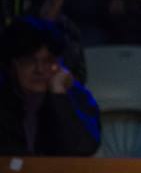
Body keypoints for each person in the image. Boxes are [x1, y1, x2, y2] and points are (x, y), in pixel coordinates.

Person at [0, 16, 99, 156]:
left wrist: (58, 96)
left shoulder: (77, 97)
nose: (39, 69)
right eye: (29, 61)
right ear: (13, 65)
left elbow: (83, 149)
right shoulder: (4, 99)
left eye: (48, 61)